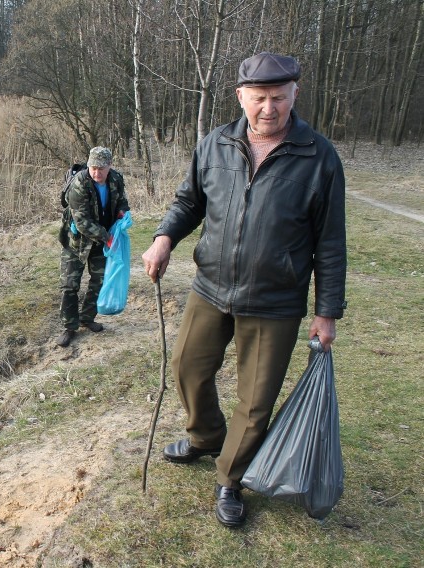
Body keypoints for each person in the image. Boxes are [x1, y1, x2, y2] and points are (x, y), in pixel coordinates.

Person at [141, 52, 346, 527]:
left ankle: (230, 477)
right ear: (241, 97)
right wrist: (164, 238)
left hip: (275, 300)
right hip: (211, 286)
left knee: (255, 402)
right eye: (259, 98)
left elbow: (331, 241)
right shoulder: (216, 144)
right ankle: (206, 434)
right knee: (188, 367)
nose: (269, 108)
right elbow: (189, 201)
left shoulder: (319, 157)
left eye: (278, 97)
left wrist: (326, 311)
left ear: (295, 93)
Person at [57, 146, 130, 347]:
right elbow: (82, 221)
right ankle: (69, 327)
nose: (96, 172)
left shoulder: (116, 179)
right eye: (93, 168)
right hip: (76, 242)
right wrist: (106, 237)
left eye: (101, 168)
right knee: (69, 285)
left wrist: (123, 212)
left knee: (98, 281)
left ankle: (87, 318)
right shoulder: (79, 183)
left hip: (101, 243)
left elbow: (122, 201)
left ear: (110, 167)